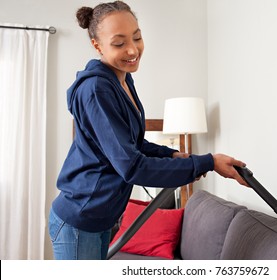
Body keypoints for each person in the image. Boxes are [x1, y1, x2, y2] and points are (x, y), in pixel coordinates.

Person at [48, 0, 247, 260]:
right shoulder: (97, 89)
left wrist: (172, 156)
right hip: (81, 218)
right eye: (119, 43)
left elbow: (132, 143)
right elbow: (132, 167)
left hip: (101, 218)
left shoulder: (123, 80)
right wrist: (206, 163)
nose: (133, 49)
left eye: (137, 37)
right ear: (97, 45)